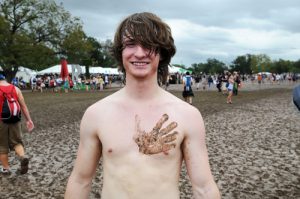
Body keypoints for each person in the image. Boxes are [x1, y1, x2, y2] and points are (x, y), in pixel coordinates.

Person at [65, 12, 220, 199]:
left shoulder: (187, 115)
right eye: (130, 44)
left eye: (148, 45)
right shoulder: (96, 114)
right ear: (120, 52)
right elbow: (80, 181)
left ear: (162, 52)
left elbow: (204, 188)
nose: (139, 53)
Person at [0, 74, 34, 174]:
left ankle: (6, 168)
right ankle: (22, 157)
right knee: (17, 142)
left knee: (2, 146)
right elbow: (23, 106)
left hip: (1, 120)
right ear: (4, 79)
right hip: (15, 120)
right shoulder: (16, 89)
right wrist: (29, 120)